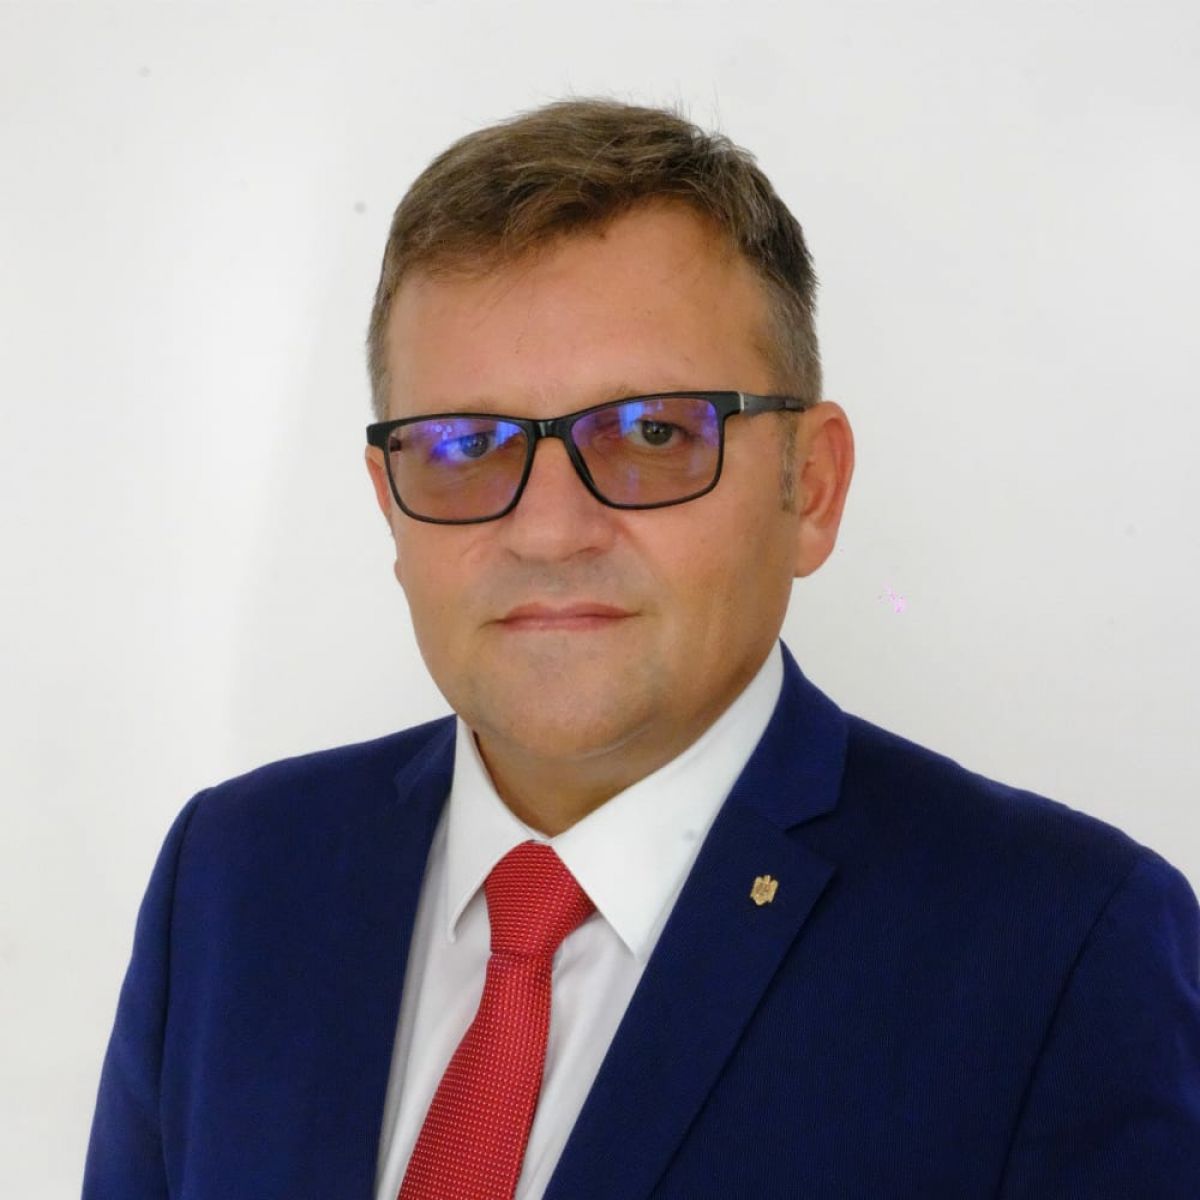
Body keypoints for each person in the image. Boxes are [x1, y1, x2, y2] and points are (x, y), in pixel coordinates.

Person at [83, 98, 1200, 1199]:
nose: (548, 531)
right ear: (390, 505)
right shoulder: (234, 880)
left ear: (810, 489)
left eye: (653, 432)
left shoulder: (1063, 951)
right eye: (464, 444)